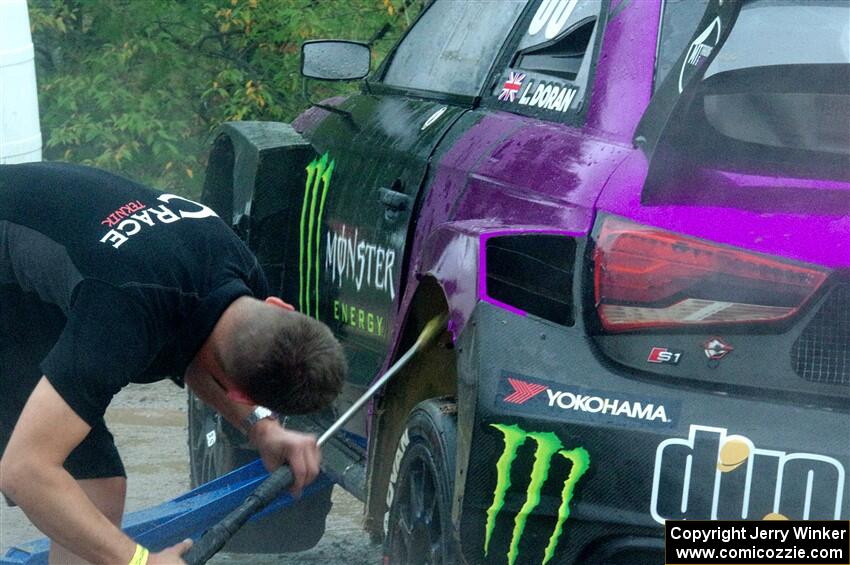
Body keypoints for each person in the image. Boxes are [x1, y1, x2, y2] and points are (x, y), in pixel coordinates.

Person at [0, 162, 347, 564]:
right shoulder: (122, 314)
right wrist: (141, 561)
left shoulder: (244, 279)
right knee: (60, 477)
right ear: (280, 305)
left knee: (95, 489)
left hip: (39, 273)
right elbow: (24, 469)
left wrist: (261, 427)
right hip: (20, 285)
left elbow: (203, 349)